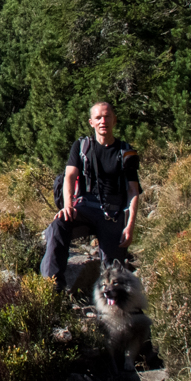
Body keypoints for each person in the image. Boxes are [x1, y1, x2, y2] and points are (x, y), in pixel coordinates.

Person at [40, 101, 141, 291]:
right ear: (91, 122)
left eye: (107, 116)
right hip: (84, 207)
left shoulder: (125, 152)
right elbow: (70, 176)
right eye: (98, 118)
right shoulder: (81, 146)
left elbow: (133, 191)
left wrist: (130, 225)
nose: (103, 121)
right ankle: (51, 288)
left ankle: (112, 310)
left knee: (114, 272)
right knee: (58, 226)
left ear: (114, 120)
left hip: (112, 214)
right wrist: (67, 206)